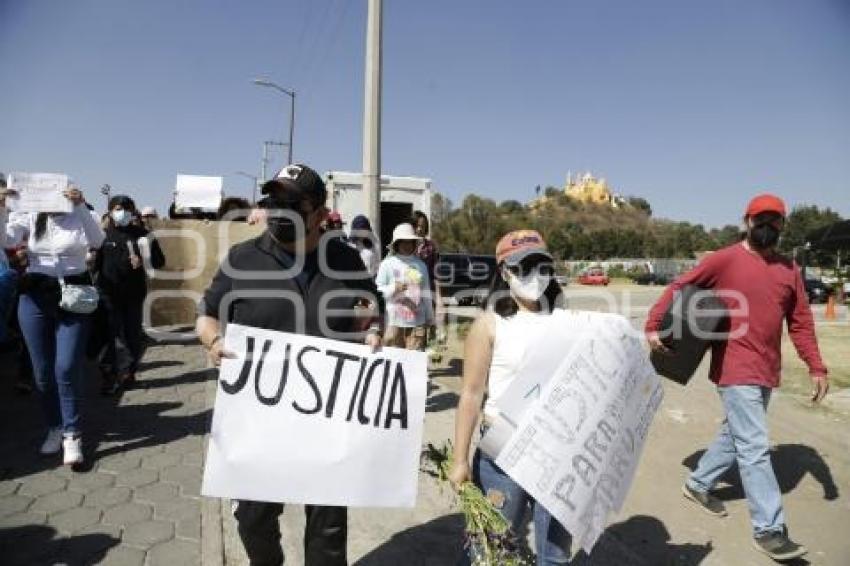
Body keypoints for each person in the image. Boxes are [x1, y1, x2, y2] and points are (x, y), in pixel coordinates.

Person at [196, 163, 383, 566]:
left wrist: (372, 329)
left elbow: (371, 306)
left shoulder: (344, 258)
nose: (278, 209)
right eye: (272, 200)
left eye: (290, 202)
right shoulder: (243, 258)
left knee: (328, 529)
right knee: (254, 520)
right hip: (259, 423)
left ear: (318, 211)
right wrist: (214, 341)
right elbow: (206, 315)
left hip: (327, 420)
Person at [645, 193, 828, 563]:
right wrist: (653, 325)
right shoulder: (725, 259)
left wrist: (816, 365)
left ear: (782, 226)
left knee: (737, 433)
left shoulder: (788, 269)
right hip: (734, 368)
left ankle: (698, 484)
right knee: (755, 447)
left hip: (766, 369)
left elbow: (801, 321)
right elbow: (681, 285)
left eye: (774, 220)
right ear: (746, 221)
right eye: (760, 219)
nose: (767, 226)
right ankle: (770, 529)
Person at [449, 229, 571, 565]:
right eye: (523, 267)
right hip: (503, 450)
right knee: (494, 549)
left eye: (541, 266)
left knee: (556, 555)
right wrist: (460, 460)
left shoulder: (569, 323)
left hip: (556, 448)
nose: (534, 275)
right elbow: (471, 395)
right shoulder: (488, 325)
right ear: (504, 272)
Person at [0, 183, 105, 468]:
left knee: (66, 366)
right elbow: (7, 240)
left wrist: (82, 205)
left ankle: (73, 433)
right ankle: (54, 427)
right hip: (35, 292)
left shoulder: (80, 215)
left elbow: (97, 240)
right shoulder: (29, 216)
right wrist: (2, 207)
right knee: (42, 372)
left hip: (74, 293)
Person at [95, 195, 165, 395]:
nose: (122, 212)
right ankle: (109, 373)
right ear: (109, 211)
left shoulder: (144, 234)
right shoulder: (102, 235)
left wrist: (144, 260)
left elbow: (160, 262)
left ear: (133, 211)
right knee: (111, 334)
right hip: (108, 292)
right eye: (117, 208)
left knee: (132, 334)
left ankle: (129, 371)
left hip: (133, 293)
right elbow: (96, 265)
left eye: (127, 208)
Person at [375, 222, 434, 351]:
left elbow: (426, 293)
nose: (407, 245)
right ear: (396, 244)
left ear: (415, 244)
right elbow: (377, 291)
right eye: (403, 242)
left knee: (415, 362)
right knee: (394, 360)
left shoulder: (421, 265)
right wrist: (393, 287)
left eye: (410, 242)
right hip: (394, 322)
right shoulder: (387, 264)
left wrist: (430, 317)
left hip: (418, 322)